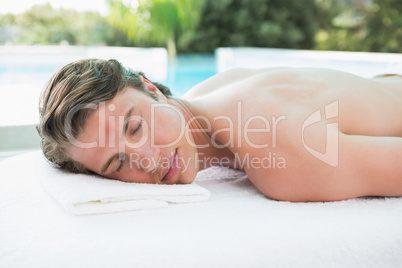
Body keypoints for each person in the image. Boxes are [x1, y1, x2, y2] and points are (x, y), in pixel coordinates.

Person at [37, 58, 402, 202]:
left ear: (151, 89)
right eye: (118, 164)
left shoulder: (279, 151)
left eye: (135, 128)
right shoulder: (202, 100)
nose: (148, 160)